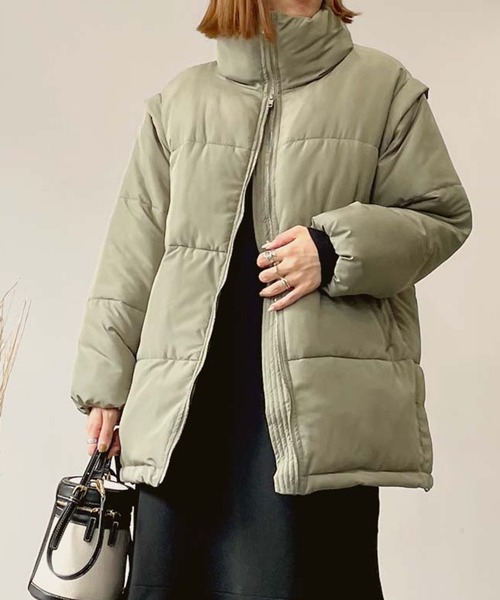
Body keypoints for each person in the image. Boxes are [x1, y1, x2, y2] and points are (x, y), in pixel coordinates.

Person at [70, 1, 473, 599]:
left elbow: (441, 216)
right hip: (185, 418)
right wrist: (105, 382)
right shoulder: (179, 103)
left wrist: (333, 249)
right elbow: (132, 253)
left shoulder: (383, 88)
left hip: (313, 424)